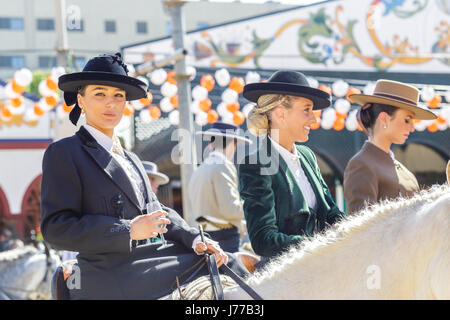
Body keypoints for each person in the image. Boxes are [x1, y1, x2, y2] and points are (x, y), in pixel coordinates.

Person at [40, 53, 247, 300]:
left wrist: (195, 238)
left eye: (118, 96)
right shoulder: (64, 152)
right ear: (81, 100)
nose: (111, 103)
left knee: (226, 261)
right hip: (107, 271)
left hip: (149, 260)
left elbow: (157, 211)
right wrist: (127, 230)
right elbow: (56, 228)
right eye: (100, 94)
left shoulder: (131, 159)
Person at [238, 70, 346, 265]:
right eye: (306, 110)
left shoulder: (308, 156)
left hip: (323, 266)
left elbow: (331, 213)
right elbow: (263, 240)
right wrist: (314, 246)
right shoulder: (256, 163)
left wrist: (358, 229)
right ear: (280, 113)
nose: (313, 119)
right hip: (283, 278)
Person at [343, 79, 437, 215]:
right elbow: (361, 230)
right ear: (384, 118)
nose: (412, 128)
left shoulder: (403, 170)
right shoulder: (361, 164)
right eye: (407, 120)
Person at [188, 122, 251, 253]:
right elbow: (230, 209)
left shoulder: (200, 169)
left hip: (207, 235)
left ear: (211, 144)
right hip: (225, 237)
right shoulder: (223, 165)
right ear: (232, 144)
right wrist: (255, 208)